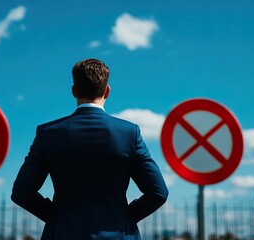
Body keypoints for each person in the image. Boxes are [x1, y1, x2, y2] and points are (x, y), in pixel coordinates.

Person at [11, 58, 168, 240]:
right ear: (107, 91)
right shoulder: (129, 134)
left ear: (74, 91)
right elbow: (158, 192)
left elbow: (21, 193)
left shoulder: (47, 133)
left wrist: (57, 219)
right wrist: (123, 218)